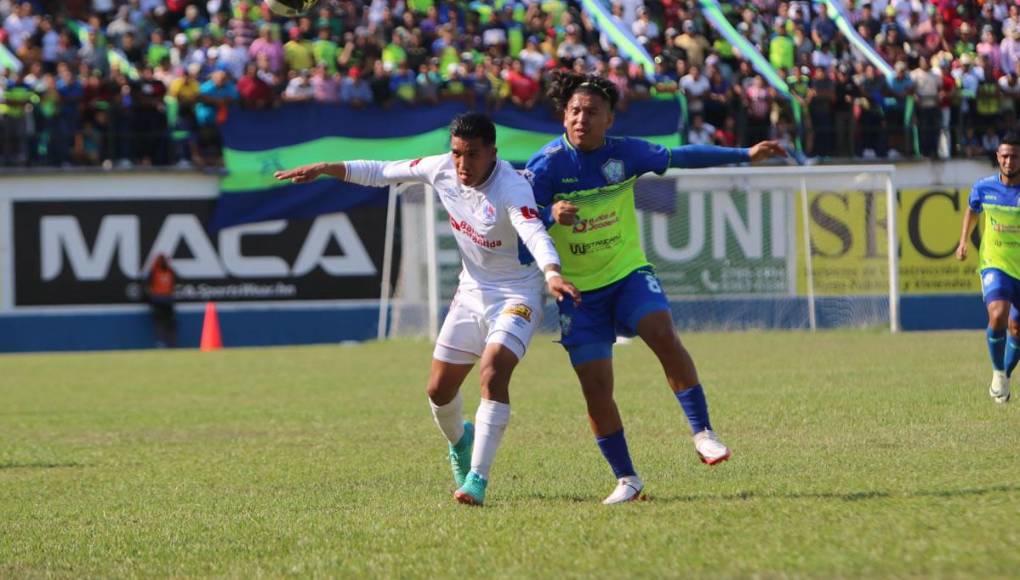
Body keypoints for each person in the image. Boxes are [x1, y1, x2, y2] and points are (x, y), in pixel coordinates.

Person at [274, 113, 581, 505]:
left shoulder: (513, 187)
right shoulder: (441, 170)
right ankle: (459, 442)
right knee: (438, 391)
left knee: (493, 369)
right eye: (456, 153)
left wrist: (552, 274)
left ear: (493, 153)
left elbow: (534, 233)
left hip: (515, 295)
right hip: (471, 293)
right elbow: (382, 171)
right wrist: (326, 169)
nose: (462, 164)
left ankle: (477, 479)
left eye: (472, 155)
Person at [524, 72, 785, 504]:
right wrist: (550, 215)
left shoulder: (625, 153)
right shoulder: (545, 166)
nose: (581, 119)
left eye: (591, 112)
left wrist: (744, 153)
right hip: (577, 292)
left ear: (609, 118)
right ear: (563, 116)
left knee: (662, 332)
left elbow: (681, 155)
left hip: (627, 273)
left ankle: (702, 432)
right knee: (595, 388)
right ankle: (627, 479)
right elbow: (521, 230)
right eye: (574, 111)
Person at [955, 133, 1020, 404]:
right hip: (995, 262)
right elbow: (972, 209)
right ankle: (997, 373)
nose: (1008, 160)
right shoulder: (984, 188)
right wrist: (963, 242)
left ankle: (1004, 375)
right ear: (997, 157)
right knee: (998, 313)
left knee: (1017, 328)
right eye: (1004, 155)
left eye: (1014, 156)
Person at [146, 254, 177, 348]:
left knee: (165, 322)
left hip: (163, 299)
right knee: (163, 322)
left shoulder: (158, 271)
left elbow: (148, 286)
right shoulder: (160, 271)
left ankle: (166, 342)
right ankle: (164, 342)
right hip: (162, 299)